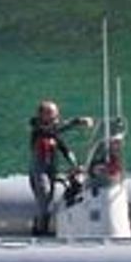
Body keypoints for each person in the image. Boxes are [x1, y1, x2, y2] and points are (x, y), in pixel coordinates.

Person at [28, 99, 91, 236]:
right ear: (42, 115)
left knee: (52, 196)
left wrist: (75, 165)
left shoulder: (53, 134)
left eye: (56, 114)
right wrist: (78, 121)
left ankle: (45, 226)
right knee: (45, 196)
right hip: (40, 173)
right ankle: (39, 230)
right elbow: (55, 129)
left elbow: (65, 149)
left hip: (51, 171)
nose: (56, 116)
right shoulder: (37, 129)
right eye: (52, 114)